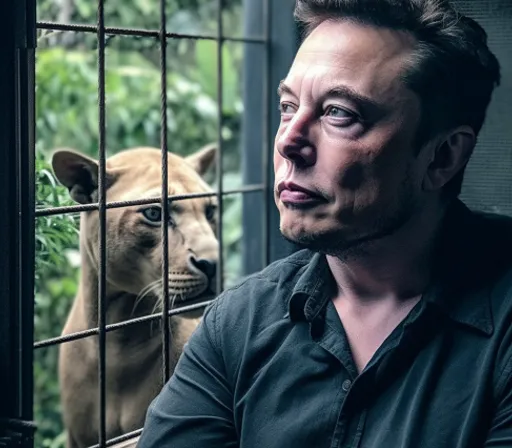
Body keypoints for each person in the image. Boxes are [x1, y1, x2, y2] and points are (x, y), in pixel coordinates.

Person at [137, 0, 511, 446]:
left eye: (339, 113)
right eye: (288, 106)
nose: (289, 142)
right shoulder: (239, 322)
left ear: (443, 156)